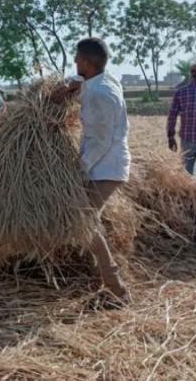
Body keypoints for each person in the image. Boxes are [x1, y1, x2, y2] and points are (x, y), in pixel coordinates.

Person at [53, 38, 131, 303]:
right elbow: (82, 83)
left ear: (86, 62)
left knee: (84, 222)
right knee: (84, 221)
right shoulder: (103, 82)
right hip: (103, 165)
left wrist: (78, 170)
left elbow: (101, 140)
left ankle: (115, 287)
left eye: (77, 59)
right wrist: (74, 85)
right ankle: (100, 278)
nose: (75, 62)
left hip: (105, 167)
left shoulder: (100, 94)